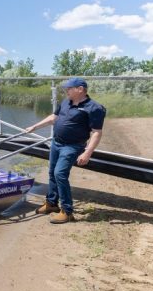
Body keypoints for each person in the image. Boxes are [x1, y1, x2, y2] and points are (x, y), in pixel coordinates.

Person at [24, 77, 106, 224]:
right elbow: (53, 118)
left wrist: (87, 152)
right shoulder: (65, 102)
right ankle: (51, 204)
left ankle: (67, 212)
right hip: (56, 143)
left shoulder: (94, 108)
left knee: (59, 174)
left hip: (73, 146)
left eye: (69, 88)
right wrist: (34, 127)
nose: (65, 90)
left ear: (80, 89)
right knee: (52, 173)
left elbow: (96, 132)